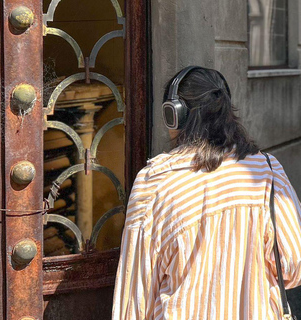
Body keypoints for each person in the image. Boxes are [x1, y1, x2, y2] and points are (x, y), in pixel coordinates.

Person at [112, 66, 301, 319]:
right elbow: (293, 266)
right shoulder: (268, 170)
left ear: (176, 115)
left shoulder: (154, 183)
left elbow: (134, 297)